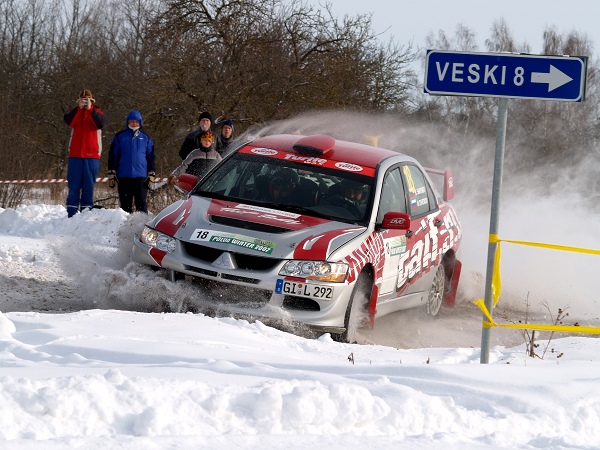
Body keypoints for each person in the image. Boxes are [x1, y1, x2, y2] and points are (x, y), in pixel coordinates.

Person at [63, 89, 107, 217]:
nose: (85, 102)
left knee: (88, 184)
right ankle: (71, 212)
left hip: (91, 155)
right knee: (74, 184)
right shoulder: (75, 112)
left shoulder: (97, 112)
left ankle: (86, 211)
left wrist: (90, 109)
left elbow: (101, 124)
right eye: (82, 100)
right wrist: (79, 109)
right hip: (75, 155)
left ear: (91, 101)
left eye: (87, 100)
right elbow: (68, 122)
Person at [107, 110, 156, 213]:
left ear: (140, 123)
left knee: (141, 205)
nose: (134, 123)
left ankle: (142, 223)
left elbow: (151, 156)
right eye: (132, 121)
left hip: (141, 177)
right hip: (124, 176)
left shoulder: (146, 138)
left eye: (137, 121)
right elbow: (113, 155)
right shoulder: (119, 137)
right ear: (128, 122)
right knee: (125, 207)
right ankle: (125, 223)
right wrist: (111, 171)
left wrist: (152, 172)